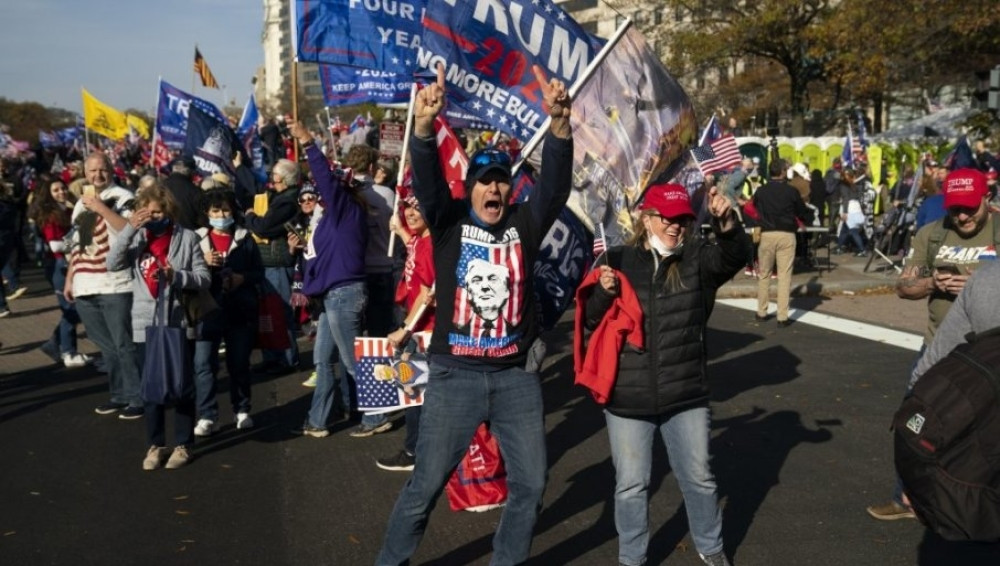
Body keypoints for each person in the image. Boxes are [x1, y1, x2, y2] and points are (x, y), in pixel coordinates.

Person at [375, 63, 572, 566]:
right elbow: (426, 179)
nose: (492, 190)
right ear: (471, 189)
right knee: (424, 487)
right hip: (454, 376)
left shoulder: (525, 222)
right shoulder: (447, 222)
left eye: (500, 182)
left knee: (531, 483)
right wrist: (422, 129)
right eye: (483, 181)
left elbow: (554, 186)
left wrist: (560, 125)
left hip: (515, 380)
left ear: (509, 190)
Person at [576, 183, 748, 566]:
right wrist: (603, 293)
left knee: (700, 479)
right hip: (627, 398)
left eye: (683, 219)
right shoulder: (617, 259)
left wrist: (728, 224)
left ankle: (711, 547)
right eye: (668, 218)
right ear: (647, 217)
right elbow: (590, 321)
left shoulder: (697, 258)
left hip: (685, 395)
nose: (676, 226)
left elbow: (737, 256)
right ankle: (632, 557)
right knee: (631, 487)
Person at [866, 167, 999, 521]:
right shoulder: (932, 233)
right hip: (938, 350)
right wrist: (933, 284)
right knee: (914, 422)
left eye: (970, 207)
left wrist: (978, 283)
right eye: (955, 208)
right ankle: (904, 498)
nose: (962, 216)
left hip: (990, 356)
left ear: (986, 199)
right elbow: (903, 286)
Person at [106, 183, 210, 470]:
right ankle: (155, 444)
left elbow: (204, 278)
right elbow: (112, 263)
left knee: (182, 385)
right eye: (149, 212)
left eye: (159, 211)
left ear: (169, 211)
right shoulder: (137, 237)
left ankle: (183, 444)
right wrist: (129, 229)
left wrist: (176, 275)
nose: (154, 216)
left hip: (178, 321)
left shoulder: (186, 238)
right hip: (145, 323)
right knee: (150, 387)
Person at [288, 120, 370, 439]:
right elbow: (318, 259)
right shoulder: (329, 217)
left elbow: (324, 176)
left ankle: (378, 415)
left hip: (344, 294)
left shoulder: (343, 207)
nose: (317, 193)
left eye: (322, 189)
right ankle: (318, 419)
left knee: (352, 364)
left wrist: (308, 141)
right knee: (323, 360)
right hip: (329, 297)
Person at [64, 152, 144, 418]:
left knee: (124, 344)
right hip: (85, 284)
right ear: (85, 174)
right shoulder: (79, 204)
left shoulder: (123, 197)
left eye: (102, 170)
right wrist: (70, 278)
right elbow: (76, 245)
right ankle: (119, 394)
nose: (97, 175)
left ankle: (138, 397)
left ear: (112, 170)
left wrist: (101, 208)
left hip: (115, 284)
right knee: (106, 347)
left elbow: (129, 231)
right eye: (92, 171)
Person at [191, 189, 263, 437]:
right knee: (203, 365)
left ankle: (242, 410)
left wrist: (242, 278)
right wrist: (202, 261)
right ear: (206, 214)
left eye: (225, 210)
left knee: (239, 363)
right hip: (207, 310)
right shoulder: (196, 240)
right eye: (215, 210)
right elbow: (185, 272)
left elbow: (259, 273)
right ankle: (207, 415)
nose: (221, 215)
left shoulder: (246, 238)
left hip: (239, 309)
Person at [376, 194, 435, 472]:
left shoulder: (430, 244)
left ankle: (414, 452)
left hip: (424, 330)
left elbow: (427, 293)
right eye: (407, 207)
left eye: (417, 207)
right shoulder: (421, 240)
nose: (410, 213)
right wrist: (400, 230)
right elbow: (413, 247)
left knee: (413, 394)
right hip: (420, 327)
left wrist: (404, 329)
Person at [245, 158, 301, 375]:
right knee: (267, 314)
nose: (271, 180)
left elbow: (264, 228)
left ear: (283, 179)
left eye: (275, 176)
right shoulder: (278, 197)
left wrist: (250, 217)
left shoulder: (287, 201)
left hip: (277, 263)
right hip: (267, 262)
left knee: (281, 312)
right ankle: (272, 356)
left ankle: (287, 359)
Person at [31, 177, 91, 367]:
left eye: (62, 188)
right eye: (56, 190)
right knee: (72, 309)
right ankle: (68, 352)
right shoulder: (51, 215)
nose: (61, 192)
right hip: (59, 266)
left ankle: (54, 344)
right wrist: (78, 241)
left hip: (70, 264)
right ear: (49, 194)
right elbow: (55, 245)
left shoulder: (68, 210)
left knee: (74, 308)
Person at [752, 158, 809, 327]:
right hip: (786, 233)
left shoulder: (761, 191)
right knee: (784, 276)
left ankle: (761, 311)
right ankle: (782, 316)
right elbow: (802, 211)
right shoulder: (791, 191)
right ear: (783, 172)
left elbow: (754, 208)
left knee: (764, 274)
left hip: (767, 233)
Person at [162, 157, 204, 230]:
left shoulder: (159, 187)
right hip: (190, 235)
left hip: (163, 235)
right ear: (191, 172)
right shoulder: (195, 191)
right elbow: (203, 219)